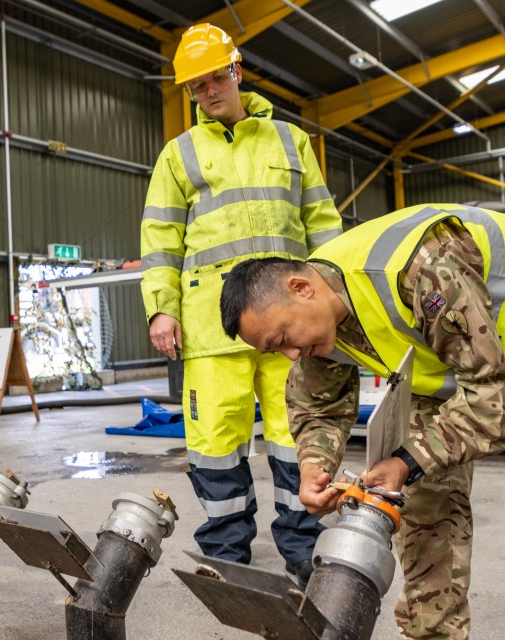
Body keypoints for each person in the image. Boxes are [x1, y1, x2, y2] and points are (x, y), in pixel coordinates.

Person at [219, 203, 505, 639]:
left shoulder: (420, 269)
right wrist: (314, 465)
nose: (290, 355)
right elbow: (319, 406)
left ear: (301, 287)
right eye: (275, 350)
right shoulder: (317, 320)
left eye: (283, 339)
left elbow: (489, 400)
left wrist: (407, 459)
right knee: (422, 505)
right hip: (463, 362)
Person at [139, 23, 342, 585]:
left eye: (214, 78)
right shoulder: (178, 155)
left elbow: (322, 224)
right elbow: (159, 239)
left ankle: (302, 547)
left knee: (293, 434)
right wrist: (162, 307)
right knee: (214, 445)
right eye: (196, 86)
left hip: (289, 323)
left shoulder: (289, 140)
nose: (208, 91)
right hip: (211, 328)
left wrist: (335, 296)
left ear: (237, 70)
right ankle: (226, 551)